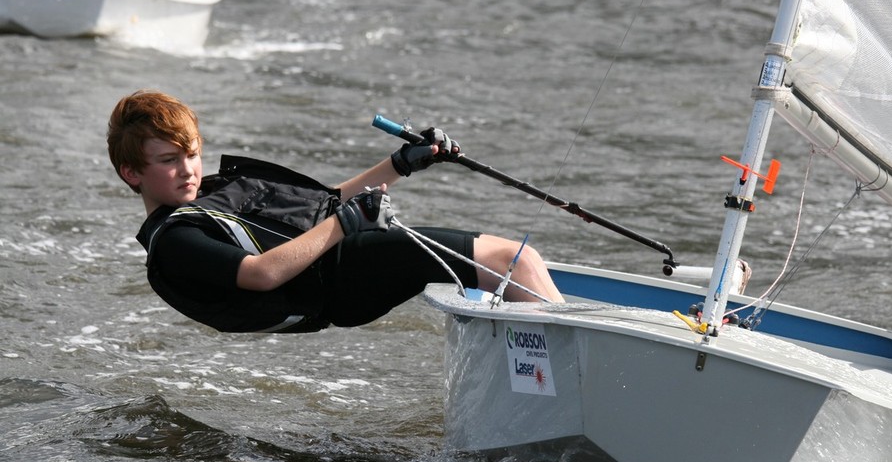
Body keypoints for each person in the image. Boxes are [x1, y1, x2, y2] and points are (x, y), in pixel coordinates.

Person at [107, 90, 563, 333]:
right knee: (515, 260)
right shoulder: (175, 242)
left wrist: (404, 162)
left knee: (516, 263)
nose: (188, 170)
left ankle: (543, 351)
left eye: (192, 154)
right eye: (169, 161)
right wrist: (346, 225)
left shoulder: (217, 195)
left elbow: (327, 202)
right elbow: (260, 274)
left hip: (344, 267)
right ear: (132, 173)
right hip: (337, 280)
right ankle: (572, 371)